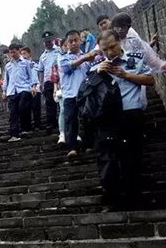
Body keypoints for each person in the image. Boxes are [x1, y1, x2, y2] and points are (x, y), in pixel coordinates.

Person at [92, 30, 155, 207]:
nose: (110, 52)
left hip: (131, 114)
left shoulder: (135, 59)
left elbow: (150, 80)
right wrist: (97, 73)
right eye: (105, 50)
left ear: (119, 42)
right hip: (108, 119)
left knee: (132, 157)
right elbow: (88, 92)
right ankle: (111, 198)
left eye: (112, 47)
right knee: (108, 160)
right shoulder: (97, 66)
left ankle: (133, 196)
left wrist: (125, 74)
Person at [58, 30, 99, 158]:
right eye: (71, 41)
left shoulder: (87, 57)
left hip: (85, 93)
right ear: (67, 44)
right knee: (70, 120)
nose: (74, 43)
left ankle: (88, 144)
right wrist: (85, 58)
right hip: (70, 94)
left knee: (87, 118)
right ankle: (72, 147)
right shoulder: (63, 57)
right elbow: (67, 67)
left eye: (76, 40)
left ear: (80, 41)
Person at [2, 43, 38, 142]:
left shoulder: (26, 62)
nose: (12, 54)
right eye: (11, 53)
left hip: (24, 88)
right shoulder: (8, 65)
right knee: (13, 113)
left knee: (23, 108)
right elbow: (6, 79)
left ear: (19, 50)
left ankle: (25, 128)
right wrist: (4, 91)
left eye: (14, 52)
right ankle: (14, 134)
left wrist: (33, 86)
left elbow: (31, 75)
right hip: (12, 91)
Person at [37, 32, 61, 132]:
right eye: (46, 42)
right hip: (48, 81)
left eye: (49, 41)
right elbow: (41, 70)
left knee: (61, 100)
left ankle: (62, 122)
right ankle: (51, 123)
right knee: (49, 102)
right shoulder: (42, 56)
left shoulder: (60, 50)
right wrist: (41, 83)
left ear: (53, 40)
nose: (48, 43)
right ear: (44, 43)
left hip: (60, 79)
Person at [21, 46, 42, 130]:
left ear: (29, 53)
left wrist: (35, 86)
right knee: (27, 108)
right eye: (21, 54)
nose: (23, 55)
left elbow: (37, 76)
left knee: (36, 107)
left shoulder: (35, 65)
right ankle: (28, 126)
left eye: (24, 53)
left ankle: (37, 125)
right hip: (26, 89)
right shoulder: (22, 66)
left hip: (36, 88)